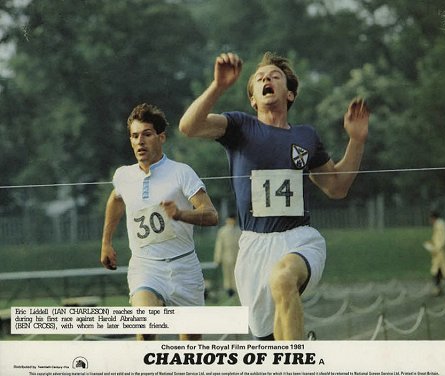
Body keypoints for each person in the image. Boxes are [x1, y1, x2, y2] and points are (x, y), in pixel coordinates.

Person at [179, 52, 370, 340]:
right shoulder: (239, 127)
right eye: (259, 78)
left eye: (275, 76)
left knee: (283, 278)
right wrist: (218, 86)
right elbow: (188, 127)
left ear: (290, 94)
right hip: (255, 247)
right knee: (267, 340)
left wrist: (356, 140)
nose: (266, 78)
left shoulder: (306, 137)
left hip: (299, 238)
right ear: (254, 99)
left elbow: (336, 186)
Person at [100, 103, 218, 341]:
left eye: (147, 134)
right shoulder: (124, 175)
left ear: (161, 137)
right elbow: (116, 200)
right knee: (145, 325)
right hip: (146, 267)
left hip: (184, 268)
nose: (140, 141)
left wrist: (181, 214)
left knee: (190, 348)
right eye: (134, 136)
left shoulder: (182, 173)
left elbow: (211, 214)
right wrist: (106, 242)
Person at [423, 210, 445, 296]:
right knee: (439, 271)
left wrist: (434, 248)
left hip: (443, 254)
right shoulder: (440, 225)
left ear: (433, 218)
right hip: (440, 254)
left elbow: (443, 240)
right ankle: (440, 288)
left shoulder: (440, 226)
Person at [214, 213, 241, 298]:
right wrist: (217, 258)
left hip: (237, 256)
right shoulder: (222, 231)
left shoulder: (239, 230)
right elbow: (219, 245)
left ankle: (236, 291)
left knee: (236, 275)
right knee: (227, 275)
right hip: (226, 256)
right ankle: (229, 291)